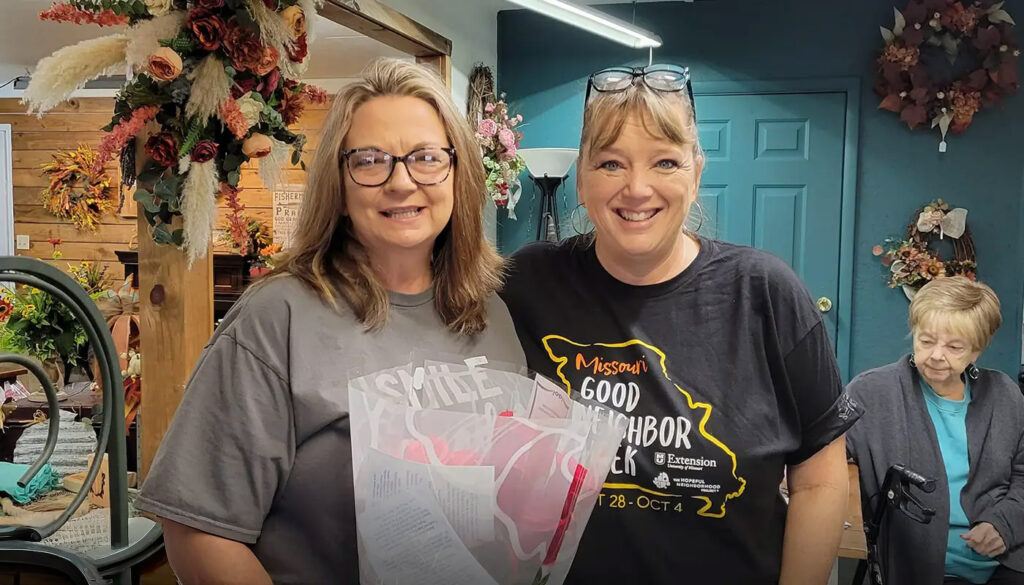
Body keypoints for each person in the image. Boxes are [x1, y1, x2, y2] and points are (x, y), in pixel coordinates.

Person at [134, 58, 526, 584]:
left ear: (459, 176)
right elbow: (199, 531)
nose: (401, 182)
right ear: (339, 188)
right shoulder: (278, 317)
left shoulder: (490, 314)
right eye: (370, 161)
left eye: (427, 158)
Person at [501, 64, 862, 585]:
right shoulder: (527, 284)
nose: (637, 188)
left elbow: (819, 482)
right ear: (581, 178)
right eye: (610, 163)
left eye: (665, 162)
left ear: (695, 174)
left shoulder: (766, 292)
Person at [847, 277, 1024, 585]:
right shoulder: (872, 392)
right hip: (920, 568)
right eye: (926, 341)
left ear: (977, 350)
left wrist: (1004, 524)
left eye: (954, 347)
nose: (936, 355)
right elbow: (821, 452)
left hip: (1006, 560)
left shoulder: (1004, 394)